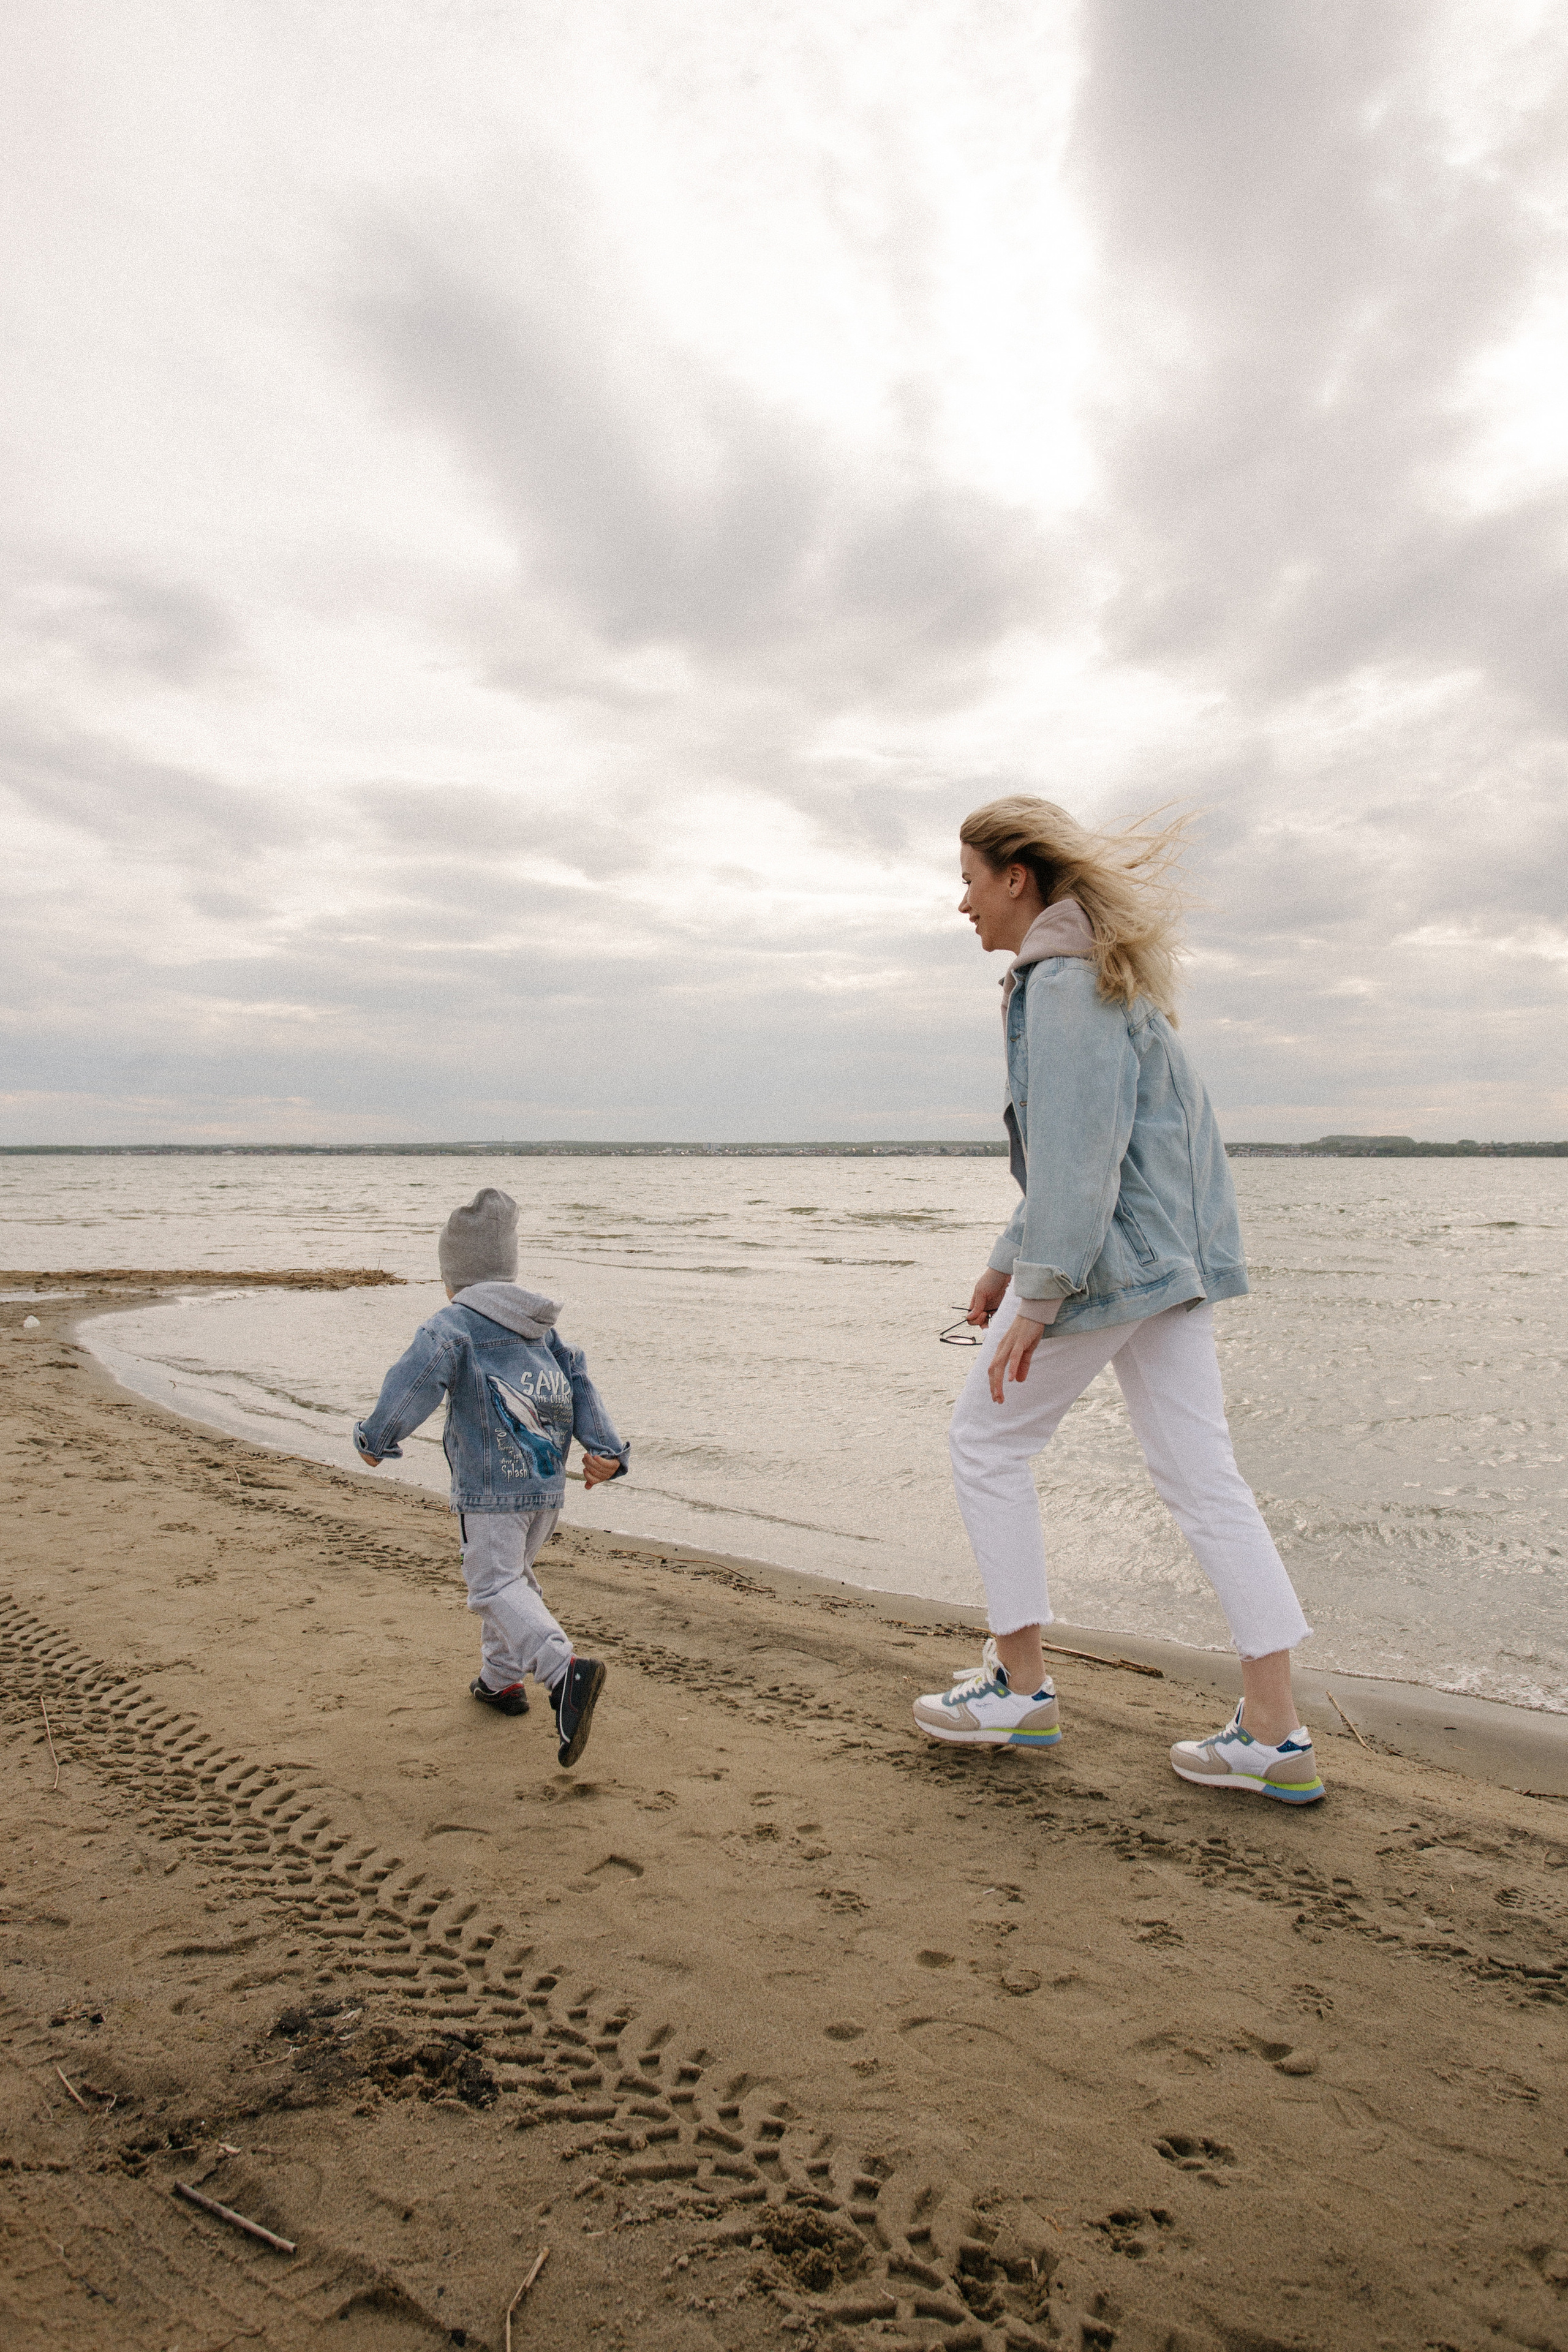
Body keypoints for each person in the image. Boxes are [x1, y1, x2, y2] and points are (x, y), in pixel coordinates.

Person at [913, 796, 1324, 1803]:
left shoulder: (1061, 983)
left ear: (1019, 878)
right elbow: (1100, 1150)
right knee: (1204, 1477)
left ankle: (1020, 1687)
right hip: (1167, 1263)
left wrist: (1042, 1292)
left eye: (969, 878)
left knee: (986, 1440)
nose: (960, 901)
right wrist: (1013, 1258)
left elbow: (1083, 1160)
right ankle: (1275, 1735)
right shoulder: (1103, 974)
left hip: (1114, 1263)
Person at [353, 1186, 628, 1768]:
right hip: (546, 1490)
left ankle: (563, 1671)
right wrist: (607, 1452)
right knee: (513, 1578)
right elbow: (579, 1383)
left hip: (491, 1489)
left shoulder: (452, 1326)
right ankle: (500, 1680)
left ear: (456, 1277)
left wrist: (378, 1438)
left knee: (492, 1586)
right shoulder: (541, 1329)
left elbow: (416, 1379)